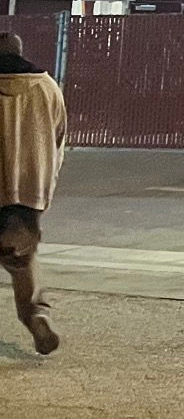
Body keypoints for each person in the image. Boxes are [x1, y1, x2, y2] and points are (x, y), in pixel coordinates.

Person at [0, 32, 67, 355]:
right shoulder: (47, 87)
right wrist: (45, 182)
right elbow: (58, 139)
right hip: (28, 193)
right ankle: (36, 316)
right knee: (22, 260)